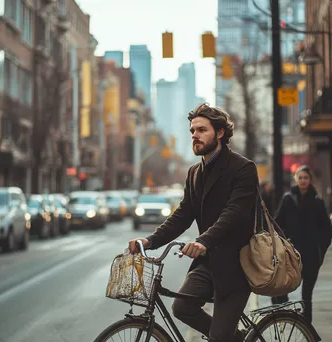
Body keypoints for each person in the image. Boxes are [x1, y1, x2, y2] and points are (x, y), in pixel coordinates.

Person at [128, 103, 259, 342]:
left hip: (238, 264)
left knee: (219, 337)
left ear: (220, 133)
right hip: (208, 263)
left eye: (201, 130)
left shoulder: (243, 168)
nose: (195, 136)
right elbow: (182, 215)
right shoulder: (194, 173)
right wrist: (149, 241)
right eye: (192, 131)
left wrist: (203, 241)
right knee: (182, 308)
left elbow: (233, 213)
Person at [271, 165, 332, 323]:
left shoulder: (317, 201)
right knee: (284, 287)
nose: (303, 180)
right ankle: (283, 318)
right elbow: (278, 223)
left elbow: (326, 229)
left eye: (306, 177)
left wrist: (320, 250)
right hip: (292, 254)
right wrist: (283, 242)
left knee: (307, 296)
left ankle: (308, 330)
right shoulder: (288, 199)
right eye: (300, 178)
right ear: (296, 179)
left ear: (310, 180)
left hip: (312, 255)